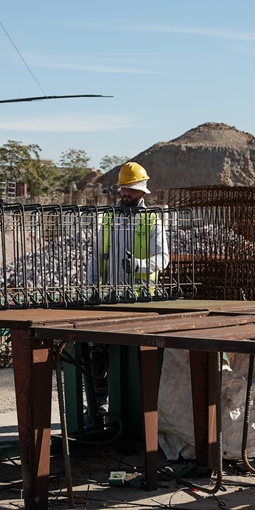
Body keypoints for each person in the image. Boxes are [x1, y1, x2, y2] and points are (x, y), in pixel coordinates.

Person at [86, 161, 170, 416]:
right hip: (109, 296)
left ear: (143, 191)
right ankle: (101, 402)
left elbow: (163, 257)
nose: (126, 193)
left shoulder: (151, 219)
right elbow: (97, 255)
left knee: (139, 353)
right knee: (96, 347)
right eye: (124, 188)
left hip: (140, 298)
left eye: (131, 189)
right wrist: (91, 287)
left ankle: (141, 407)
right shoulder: (109, 218)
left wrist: (139, 265)